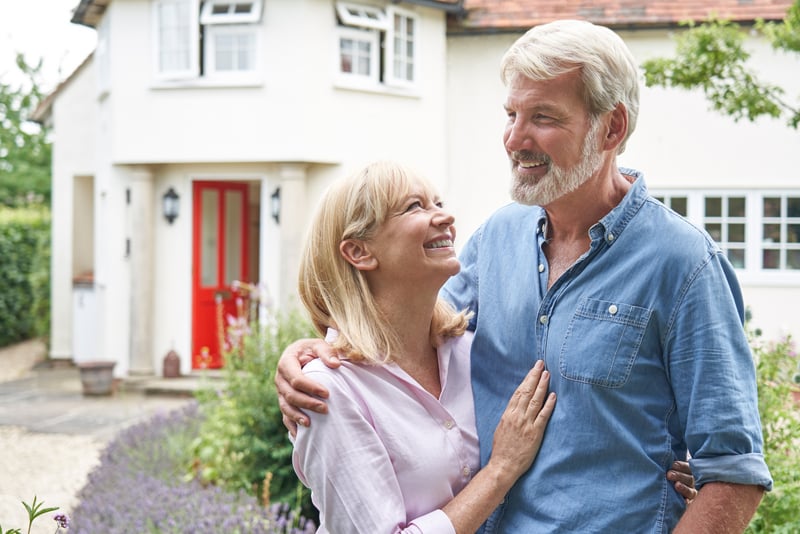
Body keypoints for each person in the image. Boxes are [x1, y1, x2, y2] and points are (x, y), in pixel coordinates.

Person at [278, 19, 753, 533]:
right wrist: (310, 354)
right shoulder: (497, 239)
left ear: (611, 128)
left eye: (543, 117)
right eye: (511, 114)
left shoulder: (682, 264)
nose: (514, 139)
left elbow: (733, 473)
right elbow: (410, 332)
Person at [291, 160, 557, 533]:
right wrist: (500, 470)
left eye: (438, 203)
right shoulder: (330, 389)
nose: (445, 217)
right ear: (359, 252)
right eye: (415, 206)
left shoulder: (472, 353)